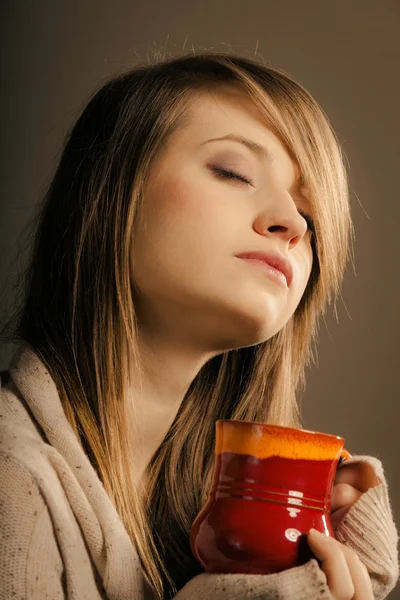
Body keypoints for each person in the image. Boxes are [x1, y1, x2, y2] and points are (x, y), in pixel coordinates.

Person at [0, 52, 398, 600]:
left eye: (311, 215)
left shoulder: (216, 528)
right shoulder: (9, 476)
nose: (292, 224)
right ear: (111, 192)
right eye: (234, 172)